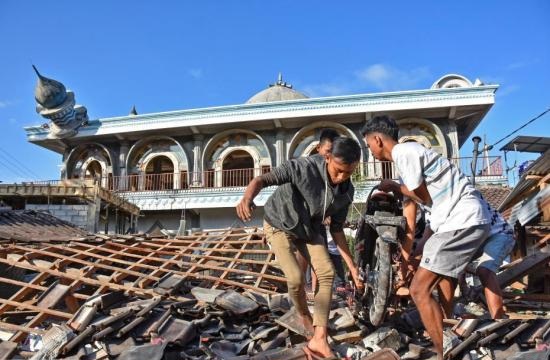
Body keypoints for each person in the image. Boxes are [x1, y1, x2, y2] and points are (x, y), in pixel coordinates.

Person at [361, 115, 491, 360]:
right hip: (462, 220)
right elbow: (429, 205)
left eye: (369, 145)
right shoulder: (413, 155)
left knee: (419, 290)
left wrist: (392, 186)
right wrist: (418, 245)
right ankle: (448, 336)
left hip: (461, 220)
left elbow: (423, 197)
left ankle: (444, 351)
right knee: (443, 280)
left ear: (378, 139)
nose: (371, 150)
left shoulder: (403, 152)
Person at [236, 137, 364, 359]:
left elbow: (336, 230)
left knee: (326, 273)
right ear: (327, 157)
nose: (341, 177)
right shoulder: (301, 167)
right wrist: (247, 198)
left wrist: (352, 267)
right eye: (338, 170)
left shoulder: (346, 191)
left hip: (309, 230)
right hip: (279, 223)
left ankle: (319, 338)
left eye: (348, 173)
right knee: (295, 278)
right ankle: (304, 316)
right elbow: (261, 180)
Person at [460, 199, 515, 319]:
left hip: (500, 234)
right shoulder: (431, 211)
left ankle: (498, 318)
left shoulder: (465, 201)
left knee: (485, 271)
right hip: (479, 237)